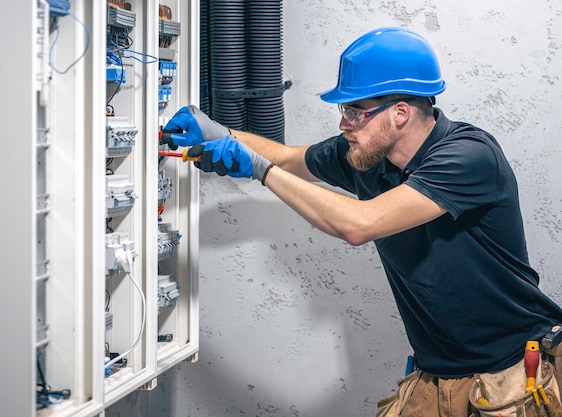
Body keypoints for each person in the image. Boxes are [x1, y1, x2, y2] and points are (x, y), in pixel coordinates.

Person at [162, 27, 562, 417]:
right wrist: (224, 133)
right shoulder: (367, 159)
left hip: (513, 371)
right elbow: (288, 159)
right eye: (344, 111)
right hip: (437, 373)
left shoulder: (467, 157)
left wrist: (259, 169)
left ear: (400, 113)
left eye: (355, 112)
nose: (343, 125)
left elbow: (360, 223)